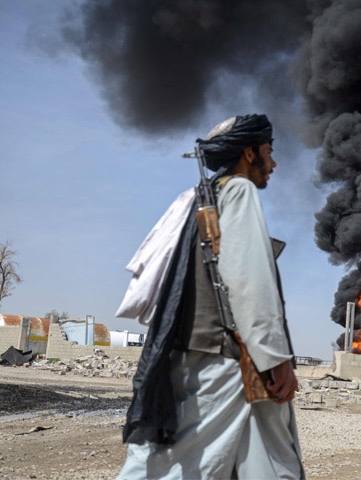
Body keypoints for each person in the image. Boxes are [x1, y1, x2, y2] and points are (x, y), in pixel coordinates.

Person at [116, 114, 304, 479]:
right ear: (250, 153)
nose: (274, 162)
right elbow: (249, 278)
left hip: (216, 358)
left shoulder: (197, 199)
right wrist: (275, 357)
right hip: (226, 362)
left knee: (270, 464)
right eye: (269, 151)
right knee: (168, 468)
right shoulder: (237, 190)